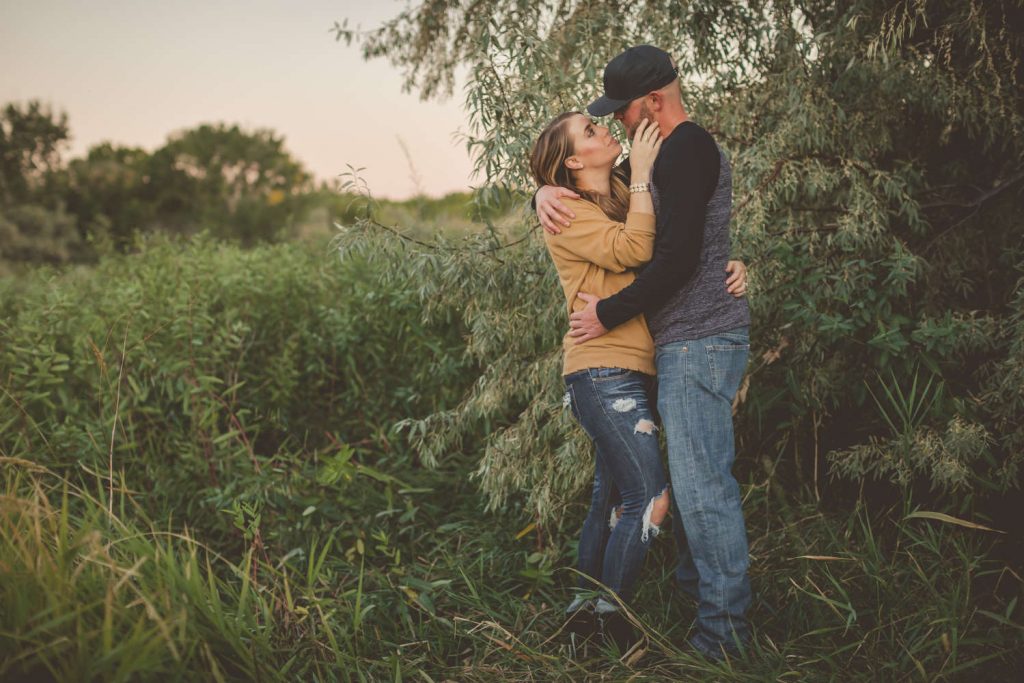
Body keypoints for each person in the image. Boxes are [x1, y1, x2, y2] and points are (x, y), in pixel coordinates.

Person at [534, 45, 753, 661]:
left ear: (652, 102)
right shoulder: (651, 159)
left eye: (621, 115)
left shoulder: (683, 148)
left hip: (696, 338)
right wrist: (541, 195)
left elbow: (677, 256)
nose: (619, 129)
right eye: (599, 124)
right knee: (666, 490)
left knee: (699, 488)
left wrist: (605, 312)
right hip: (664, 346)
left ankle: (721, 638)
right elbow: (614, 214)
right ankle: (673, 607)